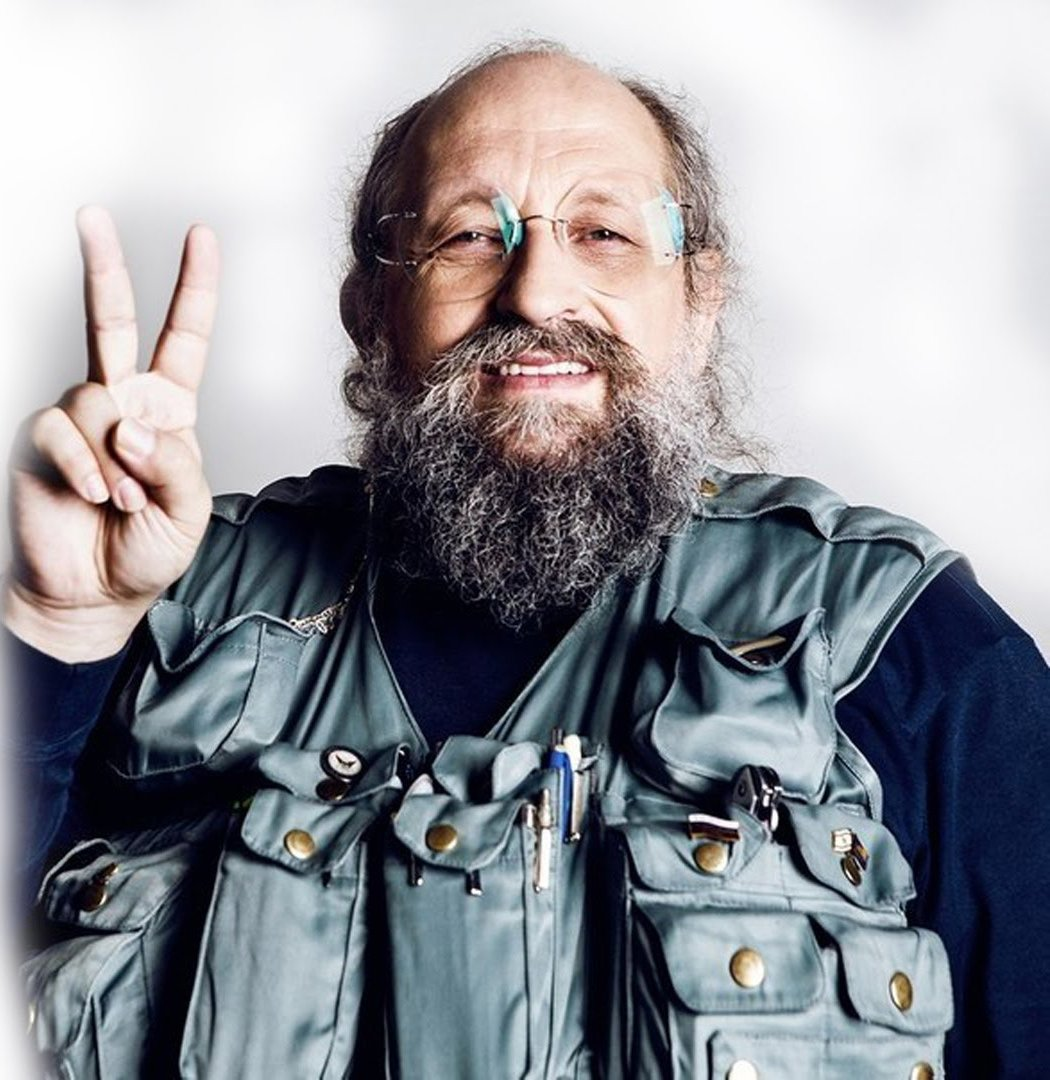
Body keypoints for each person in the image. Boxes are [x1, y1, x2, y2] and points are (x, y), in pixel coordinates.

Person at [6, 41, 1048, 1079]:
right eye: (468, 236)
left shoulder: (900, 646)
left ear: (699, 300)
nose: (538, 294)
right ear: (370, 310)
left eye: (603, 233)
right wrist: (56, 633)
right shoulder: (161, 600)